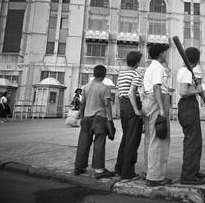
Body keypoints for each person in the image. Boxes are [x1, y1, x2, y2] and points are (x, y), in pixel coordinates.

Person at [73, 65, 115, 178]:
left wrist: (81, 117)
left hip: (86, 118)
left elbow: (82, 103)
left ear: (94, 74)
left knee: (83, 143)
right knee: (99, 143)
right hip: (100, 119)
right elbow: (107, 105)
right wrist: (110, 120)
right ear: (104, 75)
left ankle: (79, 167)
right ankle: (99, 170)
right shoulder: (105, 88)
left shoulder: (86, 87)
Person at [142, 43, 172, 187]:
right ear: (160, 54)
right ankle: (155, 177)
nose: (166, 55)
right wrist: (161, 109)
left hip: (149, 101)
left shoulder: (150, 68)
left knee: (150, 138)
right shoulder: (158, 67)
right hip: (156, 102)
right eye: (165, 53)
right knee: (159, 139)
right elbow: (156, 87)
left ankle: (148, 171)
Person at [177, 47, 205, 185]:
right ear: (196, 59)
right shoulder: (187, 71)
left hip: (188, 106)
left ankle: (193, 170)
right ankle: (188, 176)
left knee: (196, 141)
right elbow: (183, 91)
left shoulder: (185, 71)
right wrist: (197, 89)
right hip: (188, 106)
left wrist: (197, 89)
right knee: (192, 142)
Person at [114, 51, 143, 182]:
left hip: (123, 106)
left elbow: (119, 93)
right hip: (132, 105)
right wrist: (137, 110)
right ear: (137, 63)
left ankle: (119, 169)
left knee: (126, 137)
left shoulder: (121, 74)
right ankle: (127, 173)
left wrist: (121, 108)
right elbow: (132, 93)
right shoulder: (136, 74)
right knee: (133, 139)